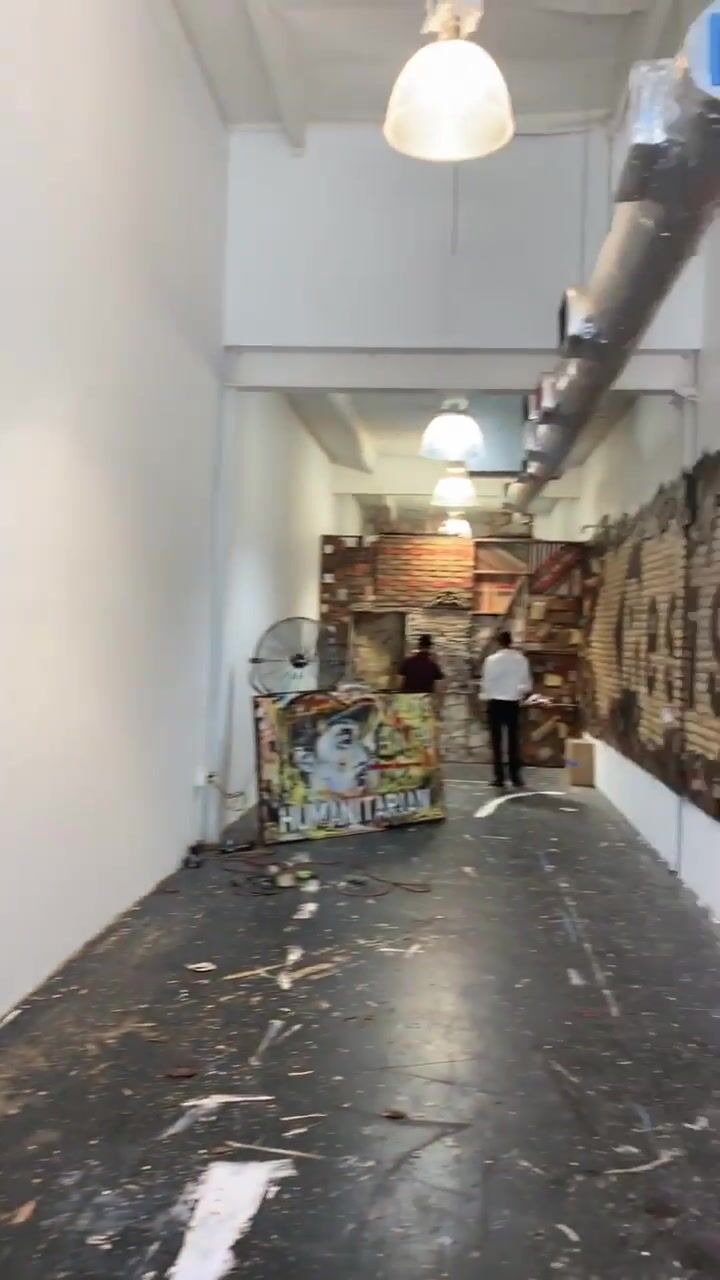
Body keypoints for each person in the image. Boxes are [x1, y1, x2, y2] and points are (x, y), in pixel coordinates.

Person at [481, 630, 532, 789]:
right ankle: (515, 777)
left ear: (498, 643)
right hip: (512, 702)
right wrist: (517, 692)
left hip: (495, 702)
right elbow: (526, 685)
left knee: (496, 741)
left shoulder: (490, 660)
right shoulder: (521, 660)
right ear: (511, 642)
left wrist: (488, 695)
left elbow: (486, 683)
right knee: (513, 740)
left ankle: (499, 777)